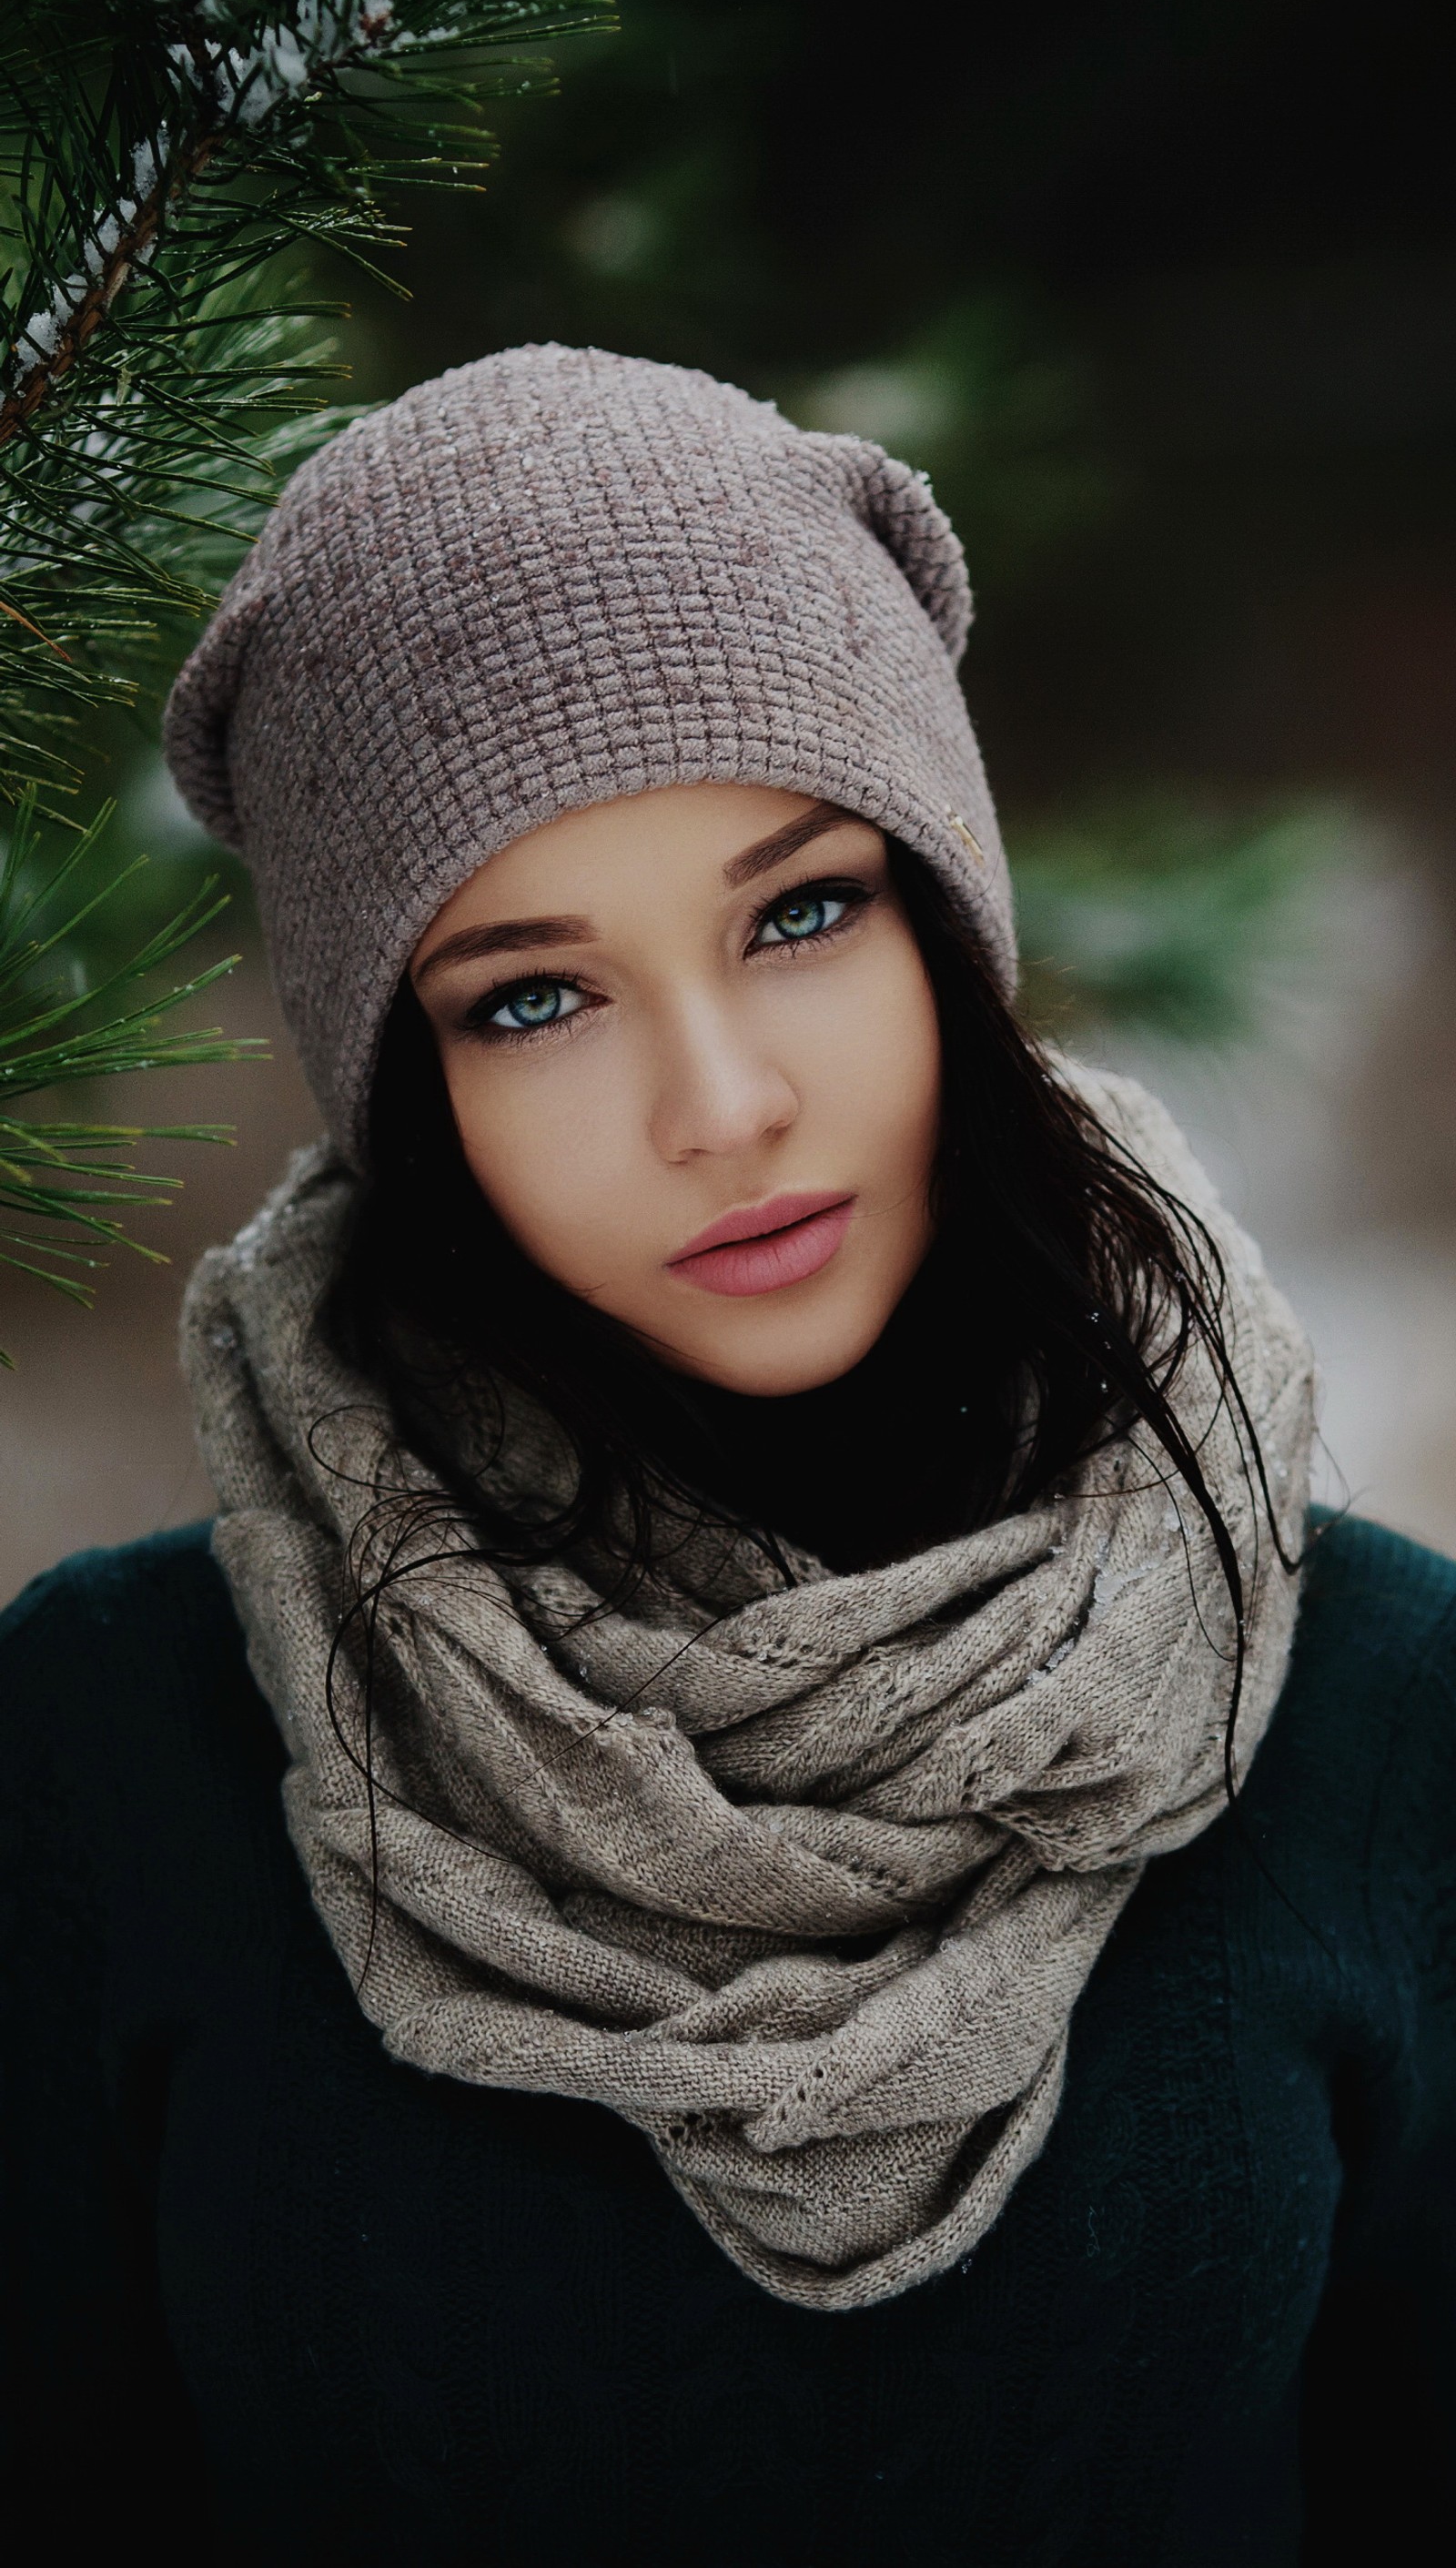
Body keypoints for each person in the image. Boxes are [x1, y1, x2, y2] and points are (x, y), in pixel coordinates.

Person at [3, 346, 1451, 2566]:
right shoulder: (114, 1747)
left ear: (945, 929)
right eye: (530, 996)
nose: (719, 1103)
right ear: (406, 1096)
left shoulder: (1375, 1713)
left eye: (797, 914)